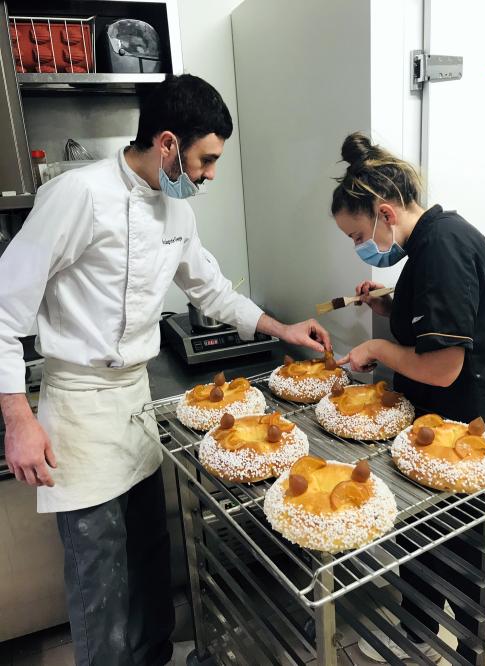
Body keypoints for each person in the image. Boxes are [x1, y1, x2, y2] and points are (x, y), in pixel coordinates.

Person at [0, 74, 331, 666]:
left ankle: (153, 656)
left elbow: (209, 288)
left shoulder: (175, 209)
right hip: (77, 405)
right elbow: (4, 307)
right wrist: (17, 417)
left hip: (136, 399)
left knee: (151, 550)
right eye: (206, 160)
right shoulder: (79, 195)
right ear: (170, 143)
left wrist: (283, 329)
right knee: (99, 570)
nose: (208, 176)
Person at [331, 132, 485, 663]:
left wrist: (378, 346)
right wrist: (389, 309)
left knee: (466, 547)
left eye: (358, 234)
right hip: (434, 421)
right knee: (425, 538)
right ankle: (418, 638)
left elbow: (444, 366)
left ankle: (472, 648)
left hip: (466, 423)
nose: (360, 247)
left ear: (384, 212)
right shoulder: (426, 246)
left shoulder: (444, 247)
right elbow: (433, 327)